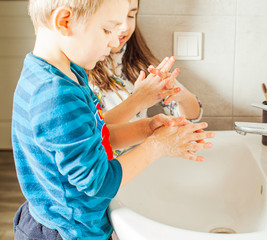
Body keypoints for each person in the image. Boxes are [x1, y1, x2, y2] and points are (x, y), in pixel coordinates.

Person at [11, 0, 214, 239]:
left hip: (64, 220)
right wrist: (156, 147)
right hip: (68, 231)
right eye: (107, 30)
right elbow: (99, 181)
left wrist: (146, 128)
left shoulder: (63, 73)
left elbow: (95, 135)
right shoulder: (55, 94)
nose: (113, 40)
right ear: (64, 21)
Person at [87, 0, 203, 136]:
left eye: (131, 15)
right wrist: (137, 101)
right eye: (116, 16)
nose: (124, 27)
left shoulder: (139, 64)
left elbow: (191, 117)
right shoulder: (78, 69)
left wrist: (179, 92)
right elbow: (88, 136)